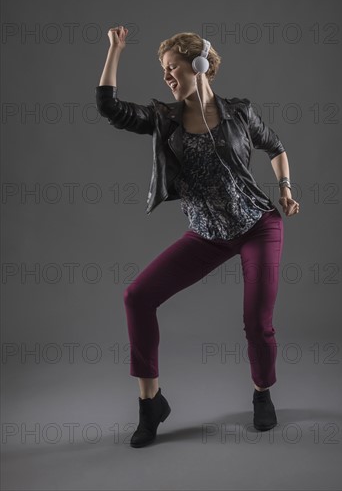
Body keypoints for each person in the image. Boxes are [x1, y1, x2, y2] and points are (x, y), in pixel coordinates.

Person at [95, 26, 300, 448]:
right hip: (207, 234)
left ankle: (262, 393)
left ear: (200, 65)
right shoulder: (162, 119)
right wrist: (115, 50)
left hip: (257, 226)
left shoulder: (240, 112)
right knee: (137, 296)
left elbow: (275, 147)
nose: (167, 77)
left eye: (173, 67)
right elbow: (109, 107)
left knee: (256, 322)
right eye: (163, 71)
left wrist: (285, 190)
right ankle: (150, 404)